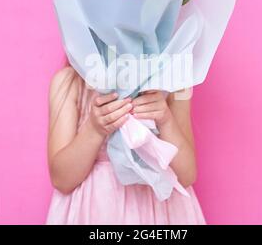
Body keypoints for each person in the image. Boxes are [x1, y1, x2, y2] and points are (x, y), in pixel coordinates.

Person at [46, 64, 206, 224]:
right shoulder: (69, 82)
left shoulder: (175, 83)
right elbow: (62, 180)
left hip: (159, 212)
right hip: (98, 211)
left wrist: (165, 120)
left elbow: (187, 175)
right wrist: (94, 129)